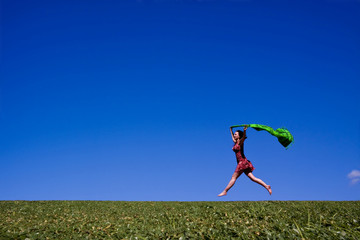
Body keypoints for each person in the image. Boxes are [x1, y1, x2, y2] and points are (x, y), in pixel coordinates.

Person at [218, 125, 272, 197]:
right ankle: (266, 186)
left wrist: (244, 131)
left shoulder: (240, 142)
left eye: (235, 134)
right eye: (234, 134)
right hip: (244, 163)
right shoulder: (236, 142)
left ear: (239, 136)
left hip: (242, 163)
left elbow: (243, 137)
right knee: (253, 178)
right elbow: (232, 137)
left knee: (233, 177)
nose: (234, 135)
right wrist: (231, 130)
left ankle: (225, 191)